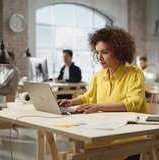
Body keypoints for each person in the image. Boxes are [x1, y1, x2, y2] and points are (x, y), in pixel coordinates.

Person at [57, 26, 146, 160]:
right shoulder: (99, 75)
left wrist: (99, 106)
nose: (99, 57)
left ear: (118, 52)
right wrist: (72, 102)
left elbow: (132, 103)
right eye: (97, 53)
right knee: (78, 150)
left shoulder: (134, 73)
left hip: (128, 134)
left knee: (80, 153)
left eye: (104, 52)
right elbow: (89, 97)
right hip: (105, 130)